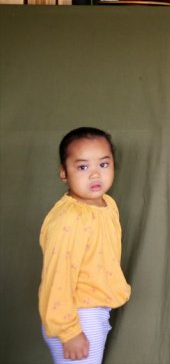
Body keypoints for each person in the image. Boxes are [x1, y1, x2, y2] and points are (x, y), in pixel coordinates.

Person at [39, 127, 131, 363]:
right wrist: (69, 332)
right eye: (82, 167)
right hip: (76, 317)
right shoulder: (69, 218)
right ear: (63, 173)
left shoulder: (107, 204)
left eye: (103, 164)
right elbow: (56, 277)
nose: (95, 175)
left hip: (95, 311)